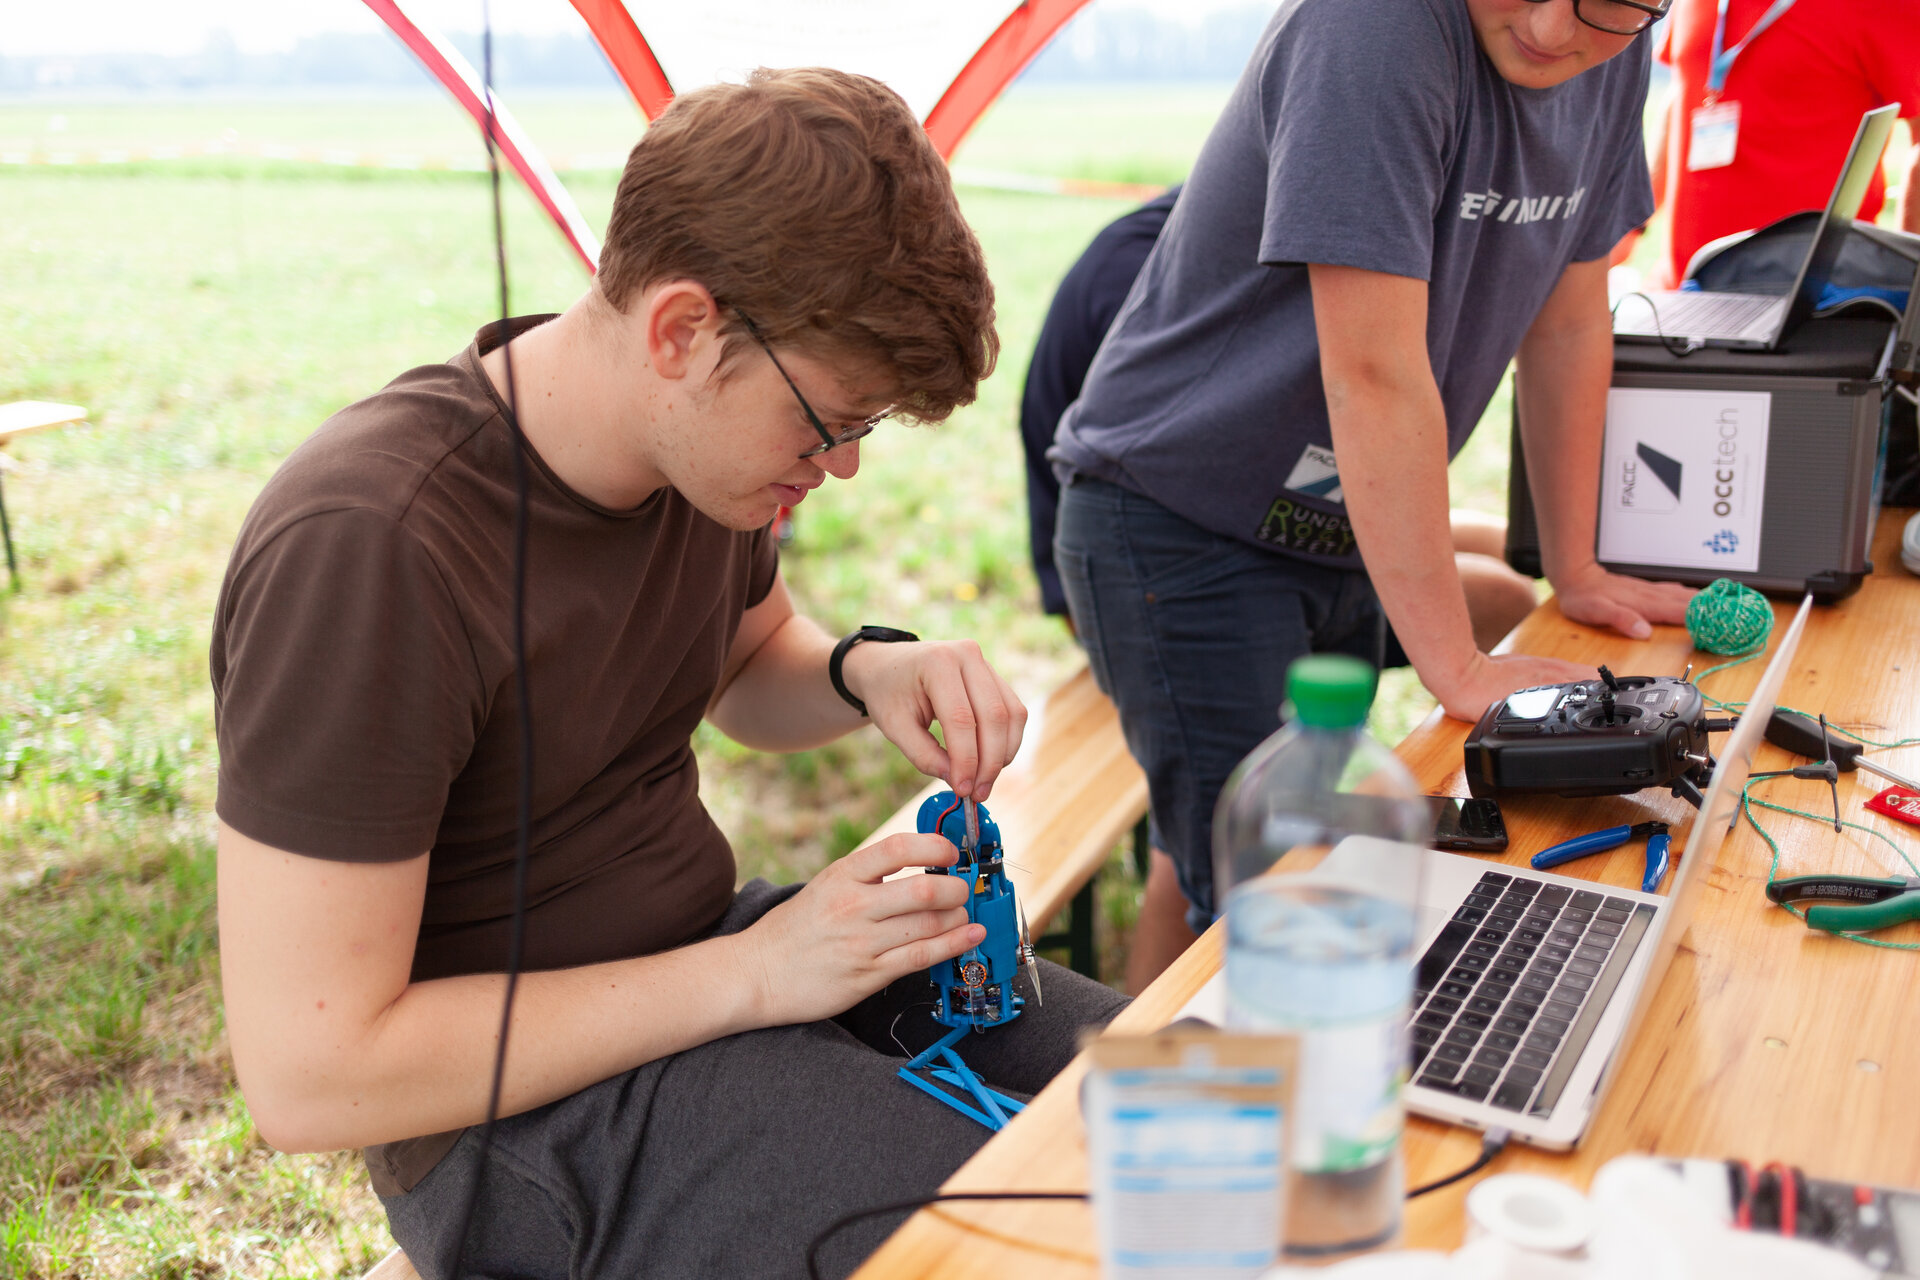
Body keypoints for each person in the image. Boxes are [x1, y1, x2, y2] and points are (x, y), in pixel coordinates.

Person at [211, 68, 1128, 1280]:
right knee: (1040, 1243)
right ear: (683, 330)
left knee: (1196, 1095)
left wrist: (862, 671)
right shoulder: (372, 546)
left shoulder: (696, 451)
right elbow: (313, 1072)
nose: (841, 469)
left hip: (716, 960)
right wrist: (753, 973)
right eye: (832, 422)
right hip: (516, 1121)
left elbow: (747, 665)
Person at [1049, 0, 1699, 956]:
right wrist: (1461, 668)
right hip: (1181, 518)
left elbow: (1566, 324)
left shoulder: (1616, 48)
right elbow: (1376, 377)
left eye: (1610, 7)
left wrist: (1581, 568)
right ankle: (1152, 1096)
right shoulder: (1374, 28)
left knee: (1292, 885)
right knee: (1264, 901)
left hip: (1342, 524)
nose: (1559, 31)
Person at [1020, 185, 1538, 989]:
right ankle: (1150, 1055)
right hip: (1172, 555)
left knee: (1503, 589)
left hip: (1301, 526)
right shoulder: (1160, 278)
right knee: (1218, 852)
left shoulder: (1313, 241)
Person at [1618, 0, 1920, 288]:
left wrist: (1911, 285)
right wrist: (1630, 227)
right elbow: (1685, 92)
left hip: (1814, 304)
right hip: (1682, 291)